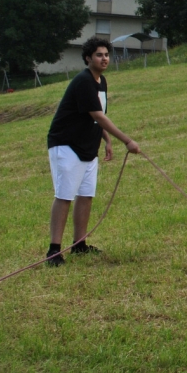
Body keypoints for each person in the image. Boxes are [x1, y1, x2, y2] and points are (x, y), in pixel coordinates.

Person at [45, 36, 141, 267]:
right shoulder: (84, 82)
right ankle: (54, 251)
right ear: (88, 58)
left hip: (88, 147)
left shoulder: (101, 82)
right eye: (99, 55)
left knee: (86, 194)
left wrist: (106, 139)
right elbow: (98, 115)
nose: (104, 58)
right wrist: (126, 141)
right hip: (66, 145)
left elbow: (97, 116)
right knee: (65, 195)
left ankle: (80, 244)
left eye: (106, 54)